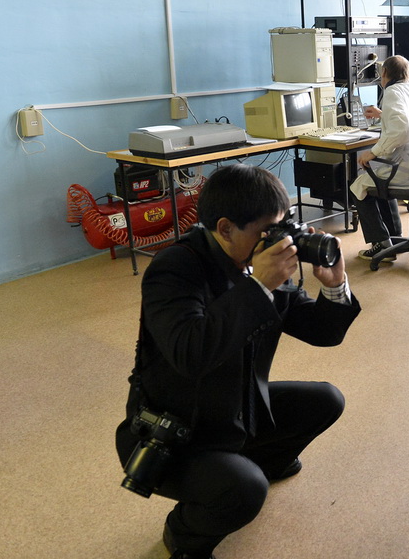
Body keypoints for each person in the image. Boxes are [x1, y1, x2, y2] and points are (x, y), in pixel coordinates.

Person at [115, 164, 361, 559]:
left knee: (326, 400)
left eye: (284, 226)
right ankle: (184, 535)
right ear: (226, 229)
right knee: (245, 489)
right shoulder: (175, 268)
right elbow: (191, 354)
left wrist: (334, 287)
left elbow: (323, 332)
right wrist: (259, 285)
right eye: (269, 231)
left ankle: (263, 461)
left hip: (237, 405)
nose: (282, 241)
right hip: (174, 431)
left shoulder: (259, 260)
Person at [349, 54, 409, 261]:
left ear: (384, 72)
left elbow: (402, 130)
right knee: (378, 179)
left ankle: (382, 244)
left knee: (359, 186)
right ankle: (394, 237)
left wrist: (373, 152)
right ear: (408, 74)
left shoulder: (392, 92)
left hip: (408, 166)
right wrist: (382, 114)